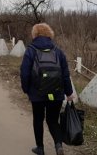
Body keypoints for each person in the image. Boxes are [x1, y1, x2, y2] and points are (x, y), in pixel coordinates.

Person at [20, 23, 74, 155]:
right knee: (53, 120)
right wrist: (69, 92)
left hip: (37, 93)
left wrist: (26, 89)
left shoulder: (30, 50)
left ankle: (40, 148)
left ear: (35, 34)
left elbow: (24, 73)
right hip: (56, 93)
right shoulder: (58, 51)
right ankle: (58, 145)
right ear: (49, 34)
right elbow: (65, 74)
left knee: (38, 120)